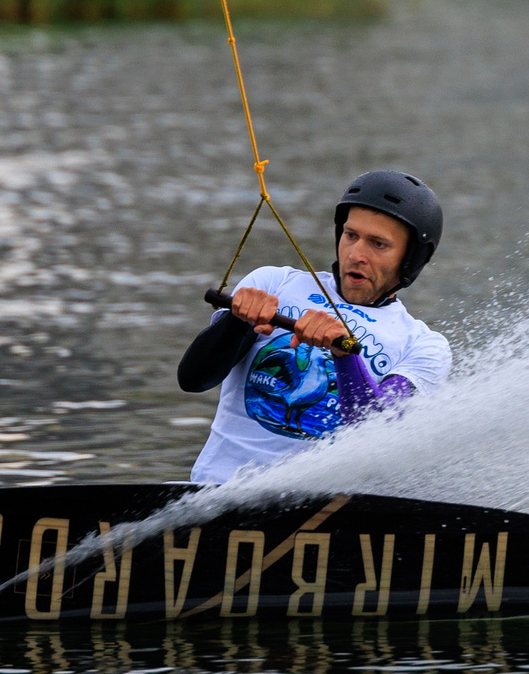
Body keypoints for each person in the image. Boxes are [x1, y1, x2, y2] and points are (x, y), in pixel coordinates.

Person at [180, 169, 451, 484]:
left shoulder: (424, 346)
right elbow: (193, 380)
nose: (356, 254)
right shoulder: (273, 283)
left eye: (378, 244)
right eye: (351, 236)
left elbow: (376, 432)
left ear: (412, 258)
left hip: (331, 507)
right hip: (218, 491)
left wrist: (345, 355)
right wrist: (238, 323)